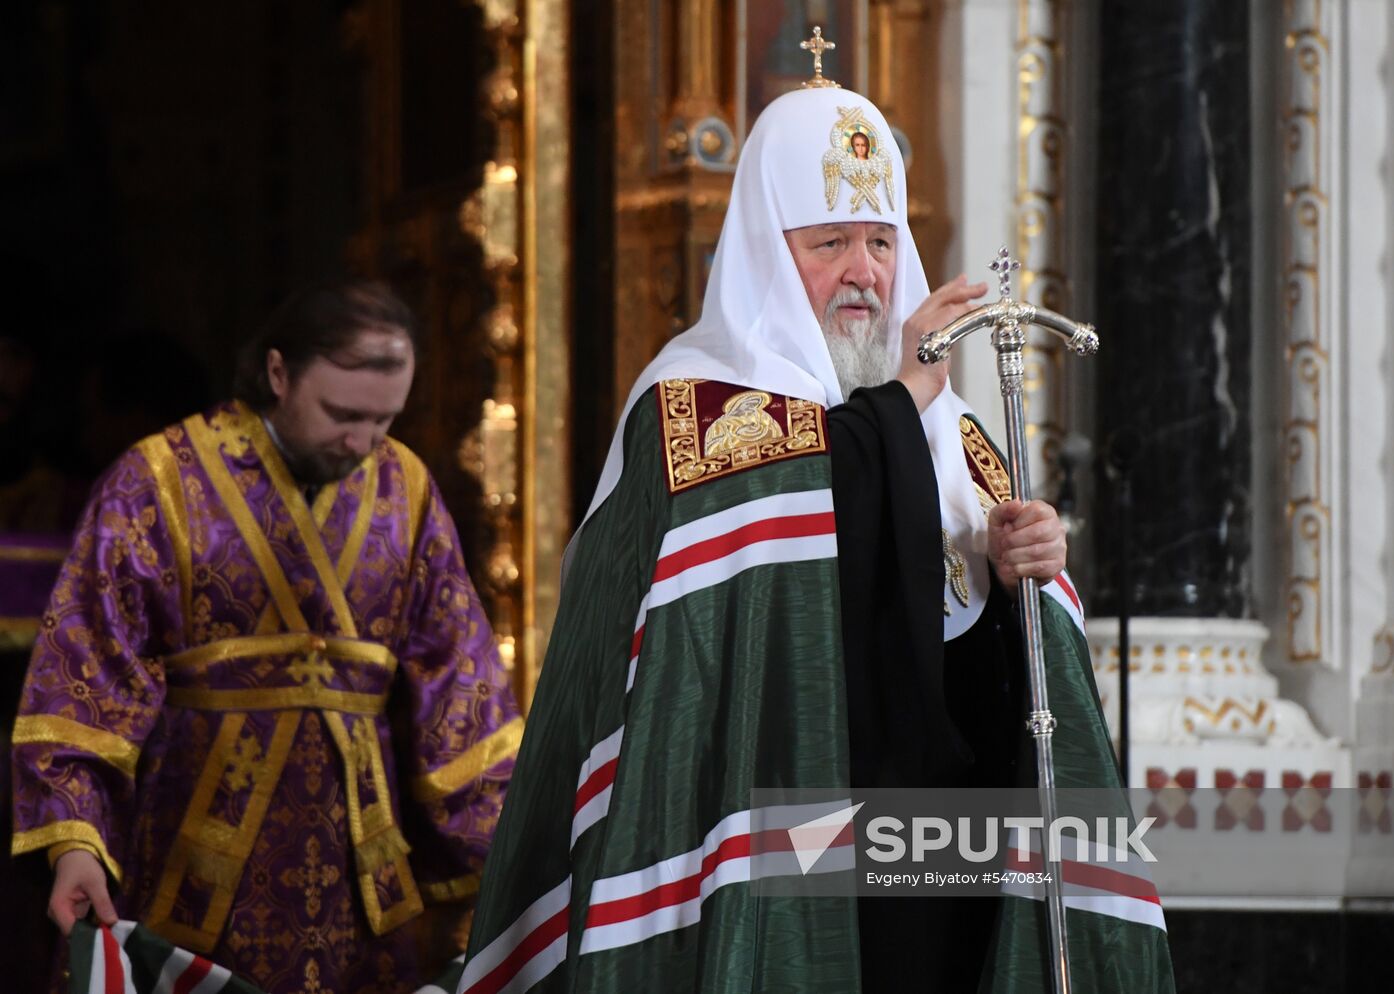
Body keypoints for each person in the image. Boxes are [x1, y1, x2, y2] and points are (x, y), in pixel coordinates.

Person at [453, 87, 1174, 993]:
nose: (865, 273)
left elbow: (1002, 660)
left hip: (939, 860)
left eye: (881, 242)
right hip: (776, 841)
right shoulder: (694, 407)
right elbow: (792, 522)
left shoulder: (952, 434)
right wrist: (899, 406)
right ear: (765, 250)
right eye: (828, 244)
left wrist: (1023, 566)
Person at [10, 281, 522, 994]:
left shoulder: (406, 487)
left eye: (383, 420)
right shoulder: (157, 481)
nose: (362, 443)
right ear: (279, 374)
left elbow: (459, 687)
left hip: (359, 889)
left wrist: (517, 852)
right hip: (188, 876)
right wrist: (76, 842)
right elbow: (86, 674)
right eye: (343, 414)